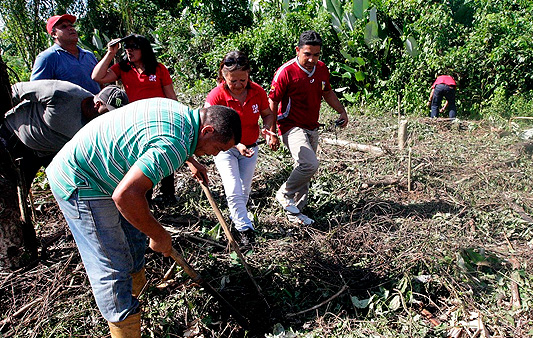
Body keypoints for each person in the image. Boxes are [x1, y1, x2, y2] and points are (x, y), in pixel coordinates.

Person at [46, 101, 241, 337]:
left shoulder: (181, 115)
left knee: (135, 236)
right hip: (81, 181)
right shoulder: (174, 145)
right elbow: (126, 195)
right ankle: (124, 320)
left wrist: (190, 159)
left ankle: (139, 294)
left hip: (104, 171)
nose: (215, 154)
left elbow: (156, 140)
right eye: (218, 149)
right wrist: (160, 235)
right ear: (207, 131)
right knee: (112, 264)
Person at [269, 30, 349, 226]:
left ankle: (296, 213)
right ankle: (284, 193)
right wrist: (270, 132)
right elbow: (272, 101)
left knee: (304, 170)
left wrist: (342, 111)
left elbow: (327, 93)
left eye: (316, 54)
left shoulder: (321, 69)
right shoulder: (285, 72)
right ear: (298, 51)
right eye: (307, 54)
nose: (312, 59)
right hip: (290, 125)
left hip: (312, 126)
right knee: (309, 164)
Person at [92, 34, 179, 203]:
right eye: (127, 47)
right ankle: (146, 197)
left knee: (165, 154)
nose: (129, 50)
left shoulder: (158, 68)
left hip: (160, 118)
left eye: (134, 47)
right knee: (144, 157)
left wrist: (175, 116)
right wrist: (110, 53)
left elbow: (171, 96)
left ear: (144, 49)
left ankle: (168, 193)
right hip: (137, 121)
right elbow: (97, 77)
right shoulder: (123, 68)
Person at [204, 51, 279, 245]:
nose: (238, 85)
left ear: (248, 75)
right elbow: (209, 128)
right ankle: (244, 229)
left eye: (242, 80)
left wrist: (269, 129)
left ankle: (237, 218)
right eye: (232, 81)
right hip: (224, 149)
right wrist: (236, 144)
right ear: (223, 76)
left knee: (244, 191)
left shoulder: (257, 91)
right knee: (233, 188)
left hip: (251, 148)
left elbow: (268, 114)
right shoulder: (216, 96)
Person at [1, 80, 128, 190]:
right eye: (108, 112)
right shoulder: (63, 93)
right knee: (8, 188)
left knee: (70, 188)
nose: (110, 117)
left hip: (46, 153)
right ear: (98, 104)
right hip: (14, 138)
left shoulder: (101, 127)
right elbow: (15, 91)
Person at [30, 14, 101, 94]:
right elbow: (36, 90)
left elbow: (100, 83)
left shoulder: (88, 55)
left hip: (97, 104)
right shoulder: (47, 58)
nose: (70, 28)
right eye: (64, 27)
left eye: (71, 26)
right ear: (54, 34)